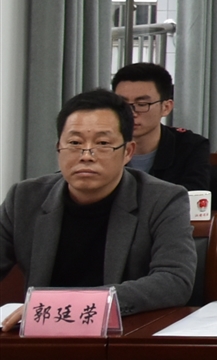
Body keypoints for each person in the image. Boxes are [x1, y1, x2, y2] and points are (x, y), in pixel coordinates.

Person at [0, 89, 197, 321]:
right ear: (58, 148)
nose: (86, 155)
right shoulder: (24, 198)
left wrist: (70, 304)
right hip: (44, 335)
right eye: (75, 143)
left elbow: (174, 281)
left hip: (125, 334)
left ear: (128, 152)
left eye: (102, 143)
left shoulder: (163, 200)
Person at [110, 62, 210, 193]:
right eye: (123, 105)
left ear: (166, 107)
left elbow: (192, 196)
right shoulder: (101, 144)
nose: (131, 113)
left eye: (142, 104)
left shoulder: (190, 146)